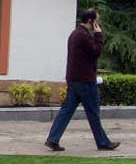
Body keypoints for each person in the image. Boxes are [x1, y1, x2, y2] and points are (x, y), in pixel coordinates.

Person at [45, 8, 121, 151]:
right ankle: (103, 142)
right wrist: (99, 36)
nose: (97, 25)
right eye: (96, 22)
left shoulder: (75, 34)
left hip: (74, 79)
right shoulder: (83, 36)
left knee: (66, 110)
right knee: (93, 112)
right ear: (90, 21)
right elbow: (95, 52)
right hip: (85, 80)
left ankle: (52, 139)